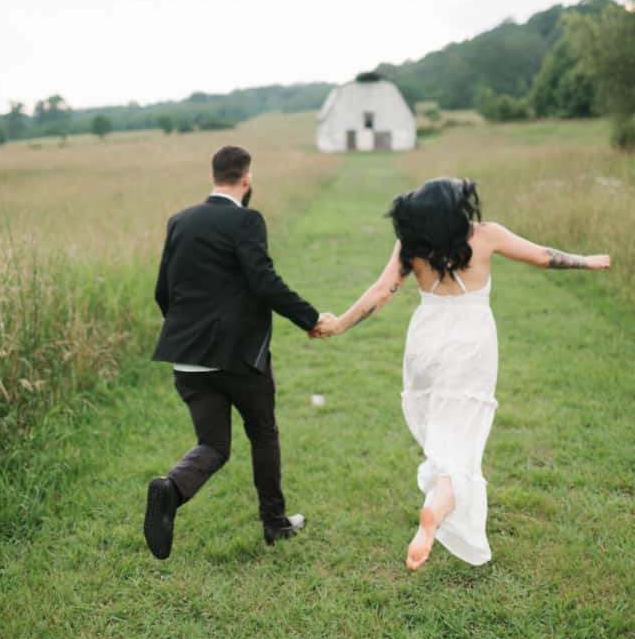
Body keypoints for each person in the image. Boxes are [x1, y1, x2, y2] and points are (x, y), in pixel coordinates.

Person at [313, 177, 610, 570]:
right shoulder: (484, 236)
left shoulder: (411, 245)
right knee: (462, 446)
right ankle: (436, 511)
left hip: (425, 343)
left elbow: (382, 291)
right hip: (470, 346)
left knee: (442, 437)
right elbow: (542, 256)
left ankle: (438, 500)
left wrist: (338, 325)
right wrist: (587, 260)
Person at [145, 144, 328, 558]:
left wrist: (188, 330)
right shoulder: (246, 220)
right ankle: (275, 523)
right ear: (246, 179)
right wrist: (311, 318)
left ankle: (170, 489)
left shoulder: (180, 221)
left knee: (213, 444)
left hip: (187, 356)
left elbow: (163, 290)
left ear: (213, 176)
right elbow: (263, 280)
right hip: (239, 357)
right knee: (263, 433)